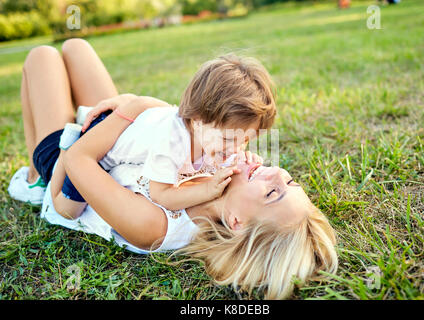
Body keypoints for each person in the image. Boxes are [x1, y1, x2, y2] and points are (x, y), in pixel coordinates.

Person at [8, 39, 338, 299]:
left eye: (272, 192)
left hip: (70, 171)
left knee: (42, 57)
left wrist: (132, 107)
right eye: (290, 181)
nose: (277, 173)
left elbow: (81, 158)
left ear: (237, 222)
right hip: (120, 138)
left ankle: (36, 179)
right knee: (76, 47)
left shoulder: (156, 224)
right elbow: (186, 125)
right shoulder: (228, 163)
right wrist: (135, 103)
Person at [49, 50, 277, 219]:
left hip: (132, 123)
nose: (236, 147)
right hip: (101, 146)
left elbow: (228, 157)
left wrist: (243, 162)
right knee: (67, 210)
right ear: (197, 121)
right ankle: (68, 147)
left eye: (245, 139)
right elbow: (162, 195)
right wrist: (207, 190)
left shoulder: (210, 134)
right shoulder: (172, 143)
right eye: (229, 139)